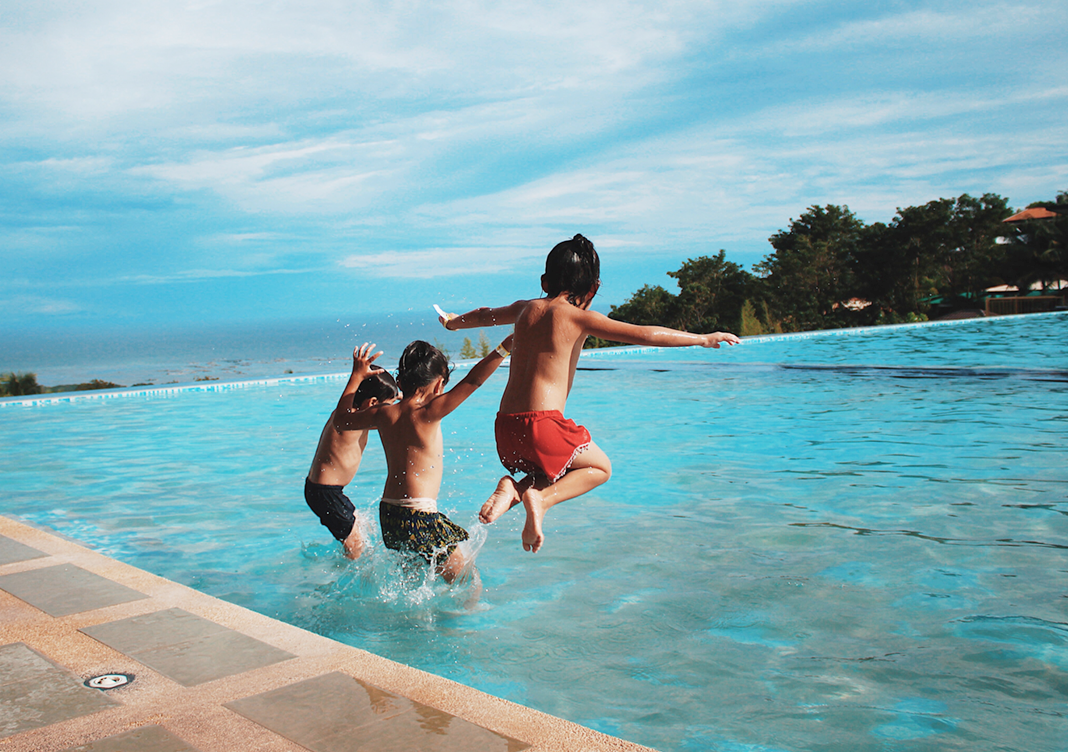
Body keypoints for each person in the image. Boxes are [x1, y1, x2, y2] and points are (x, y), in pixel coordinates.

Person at [438, 233, 740, 553]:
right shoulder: (579, 317)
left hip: (506, 428)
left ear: (544, 280)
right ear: (593, 287)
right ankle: (537, 498)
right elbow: (646, 335)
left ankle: (514, 489)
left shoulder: (524, 309)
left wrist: (452, 323)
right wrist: (703, 338)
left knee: (553, 468)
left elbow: (485, 315)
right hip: (544, 426)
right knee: (599, 468)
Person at [333, 337, 512, 583]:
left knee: (414, 581)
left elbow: (340, 420)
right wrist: (504, 348)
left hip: (389, 515)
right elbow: (473, 380)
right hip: (418, 516)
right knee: (468, 581)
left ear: (399, 381)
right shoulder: (429, 412)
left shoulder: (384, 414)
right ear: (439, 385)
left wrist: (356, 376)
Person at [305, 363, 399, 559]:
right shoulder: (347, 420)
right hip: (324, 492)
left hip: (326, 491)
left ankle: (344, 561)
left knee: (361, 528)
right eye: (387, 405)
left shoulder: (359, 418)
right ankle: (348, 582)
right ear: (372, 403)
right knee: (356, 546)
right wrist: (356, 375)